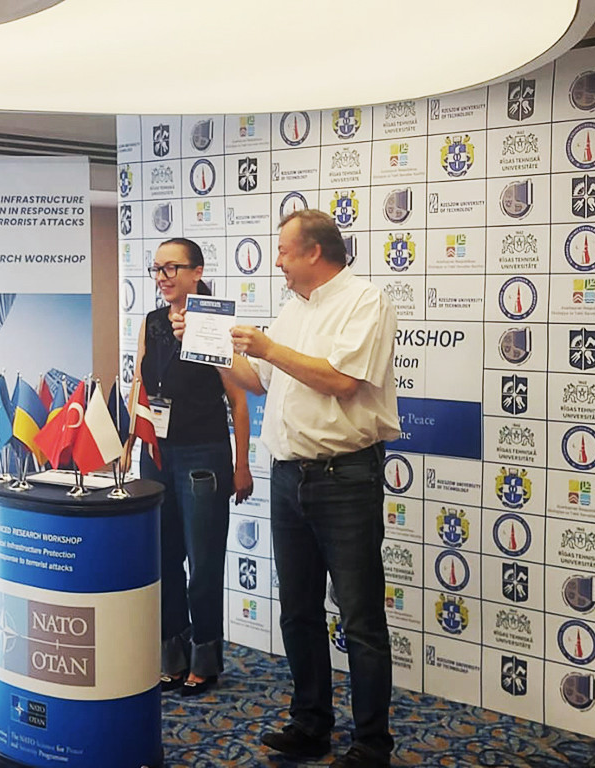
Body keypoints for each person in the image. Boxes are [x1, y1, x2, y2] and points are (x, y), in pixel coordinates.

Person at [173, 210, 399, 767]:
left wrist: (268, 347)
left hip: (346, 478)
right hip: (289, 475)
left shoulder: (365, 301)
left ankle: (371, 743)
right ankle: (311, 724)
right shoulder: (294, 308)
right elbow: (258, 381)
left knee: (360, 619)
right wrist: (209, 347)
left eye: (282, 251)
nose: (275, 261)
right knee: (297, 612)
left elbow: (341, 382)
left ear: (314, 252)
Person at [126, 237, 253, 697]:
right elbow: (140, 384)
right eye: (157, 269)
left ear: (197, 272)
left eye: (172, 268)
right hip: (156, 455)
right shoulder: (151, 322)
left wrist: (242, 464)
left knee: (203, 564)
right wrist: (129, 442)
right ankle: (173, 657)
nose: (162, 277)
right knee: (163, 560)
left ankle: (205, 659)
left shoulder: (213, 322)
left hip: (204, 457)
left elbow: (240, 400)